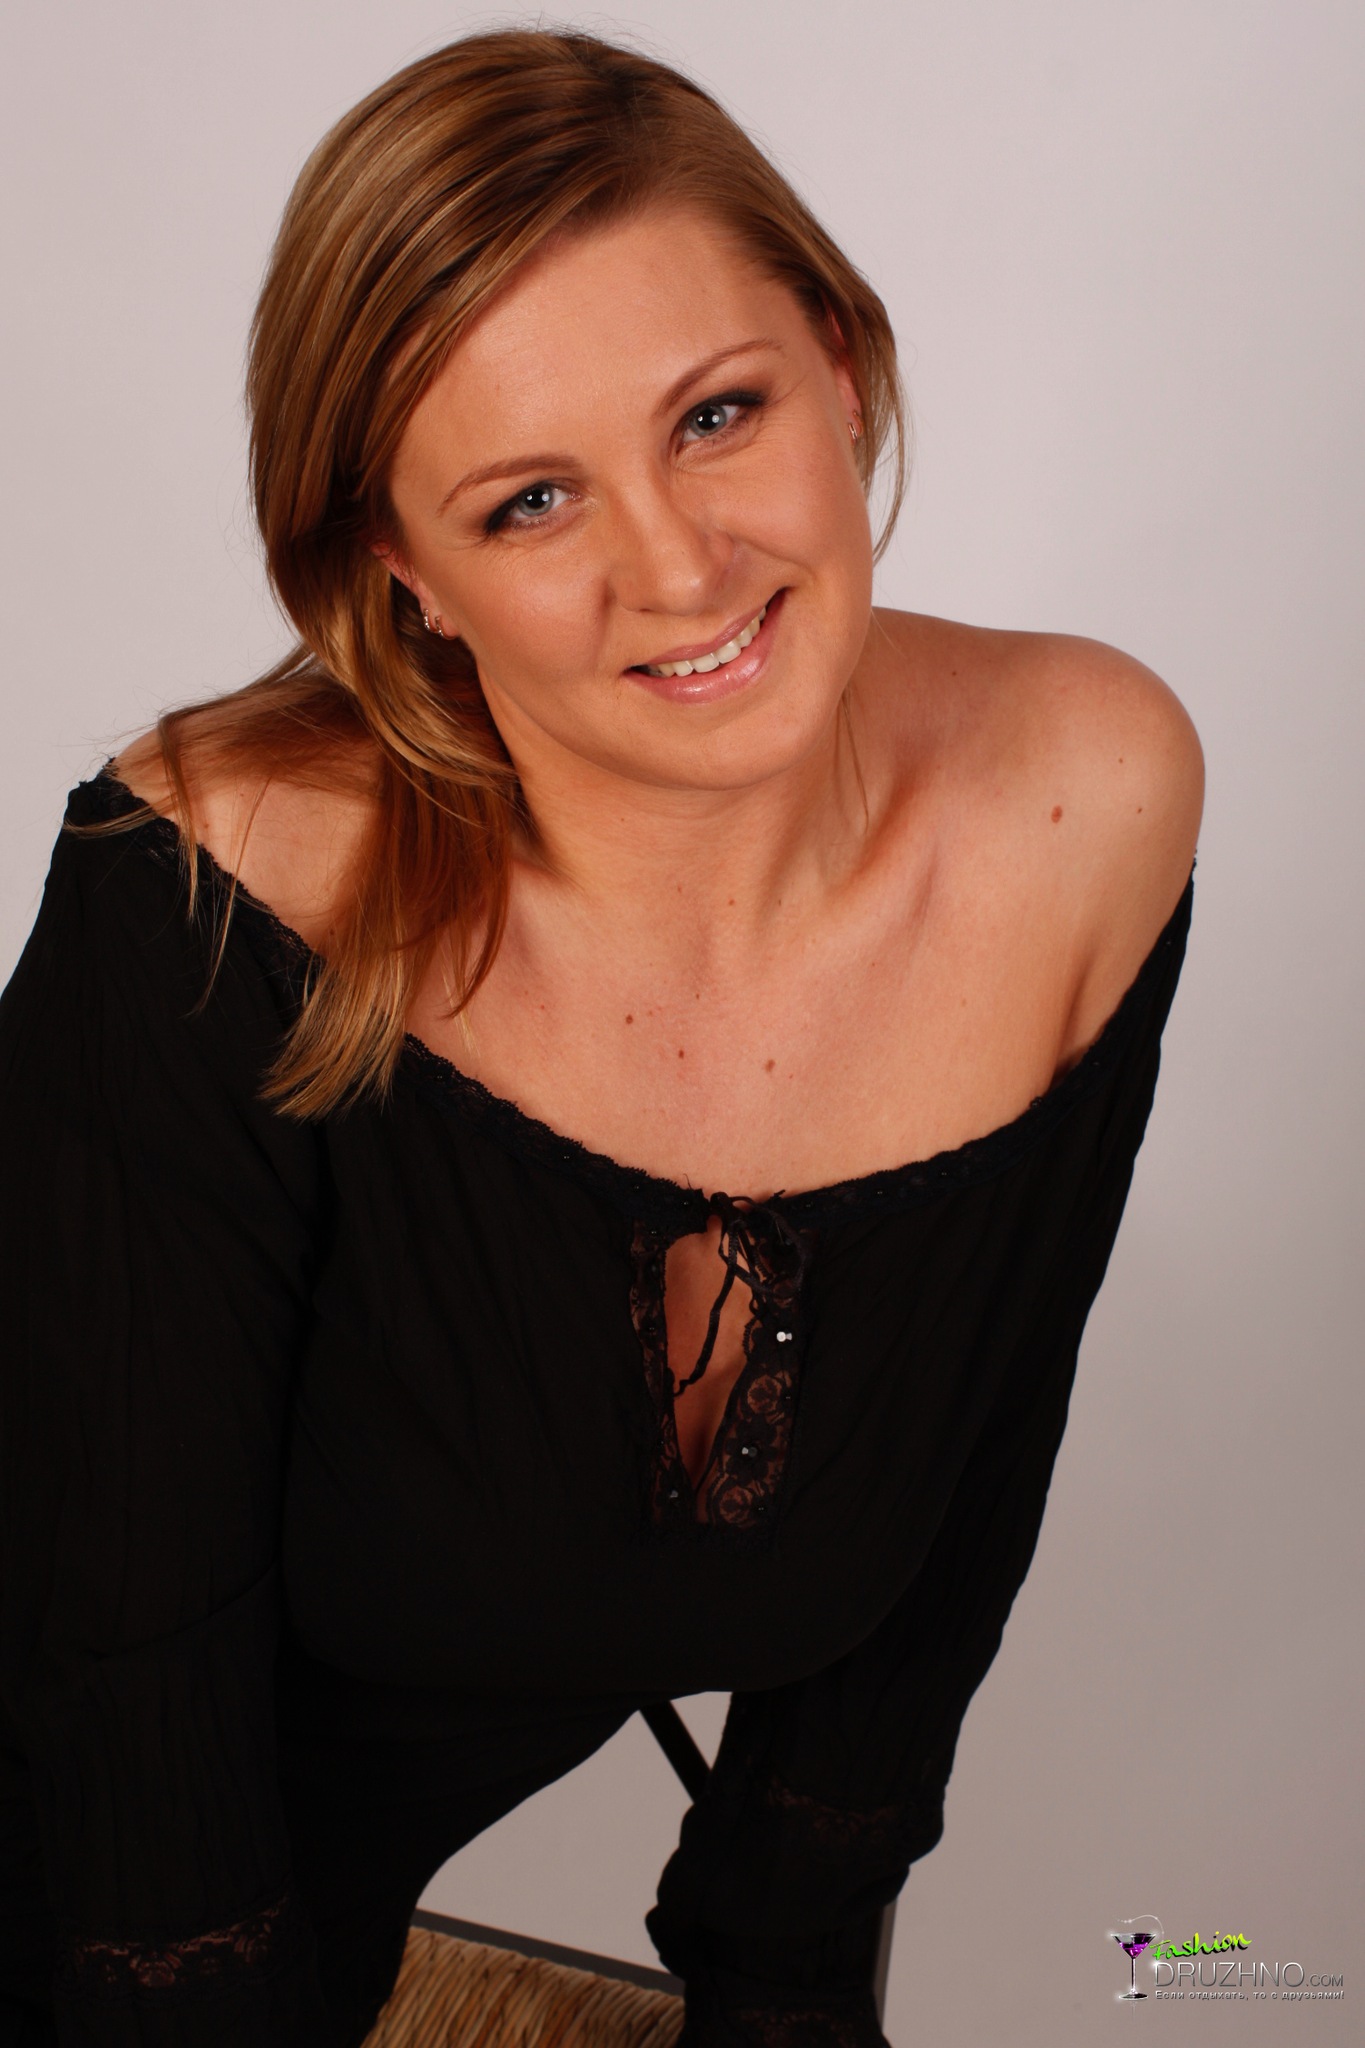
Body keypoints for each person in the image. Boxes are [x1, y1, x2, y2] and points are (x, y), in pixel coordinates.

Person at [0, 27, 1203, 2048]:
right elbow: (115, 1686)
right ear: (402, 573)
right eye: (532, 497)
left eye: (716, 412)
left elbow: (977, 1447)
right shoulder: (214, 890)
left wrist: (785, 1975)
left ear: (839, 361)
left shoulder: (1081, 797)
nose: (676, 565)